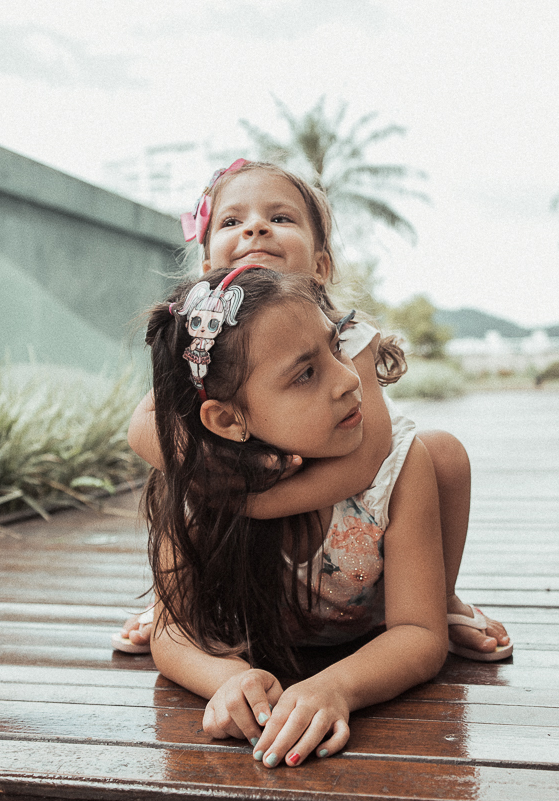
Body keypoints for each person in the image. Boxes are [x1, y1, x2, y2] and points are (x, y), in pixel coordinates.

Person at [115, 160, 511, 661]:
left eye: (280, 218)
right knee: (180, 478)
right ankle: (177, 603)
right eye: (232, 222)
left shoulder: (348, 337)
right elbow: (143, 426)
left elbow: (367, 459)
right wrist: (206, 472)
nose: (256, 227)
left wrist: (253, 503)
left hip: (347, 522)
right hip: (251, 527)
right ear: (208, 272)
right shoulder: (205, 358)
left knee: (442, 453)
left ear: (320, 266)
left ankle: (436, 598)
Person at [143, 264, 448, 767]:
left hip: (366, 645)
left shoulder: (394, 470)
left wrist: (337, 686)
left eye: (335, 348)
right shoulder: (198, 491)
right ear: (227, 418)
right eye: (305, 373)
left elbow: (419, 634)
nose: (349, 379)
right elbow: (172, 633)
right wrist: (226, 679)